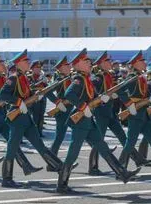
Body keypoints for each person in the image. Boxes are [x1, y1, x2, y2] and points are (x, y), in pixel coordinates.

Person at [56, 49, 140, 194]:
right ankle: (61, 184)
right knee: (73, 153)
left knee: (103, 147)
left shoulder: (86, 79)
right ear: (77, 64)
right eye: (86, 61)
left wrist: (102, 99)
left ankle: (122, 173)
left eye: (89, 61)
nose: (89, 63)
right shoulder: (78, 79)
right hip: (81, 122)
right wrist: (82, 107)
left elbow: (93, 98)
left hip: (88, 121)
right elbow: (69, 94)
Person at [0, 50, 63, 188]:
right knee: (12, 147)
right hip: (17, 118)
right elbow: (2, 94)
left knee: (39, 144)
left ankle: (59, 166)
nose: (28, 63)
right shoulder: (13, 78)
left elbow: (27, 94)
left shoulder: (24, 78)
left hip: (26, 118)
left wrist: (36, 95)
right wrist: (18, 102)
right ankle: (7, 178)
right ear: (19, 63)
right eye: (26, 61)